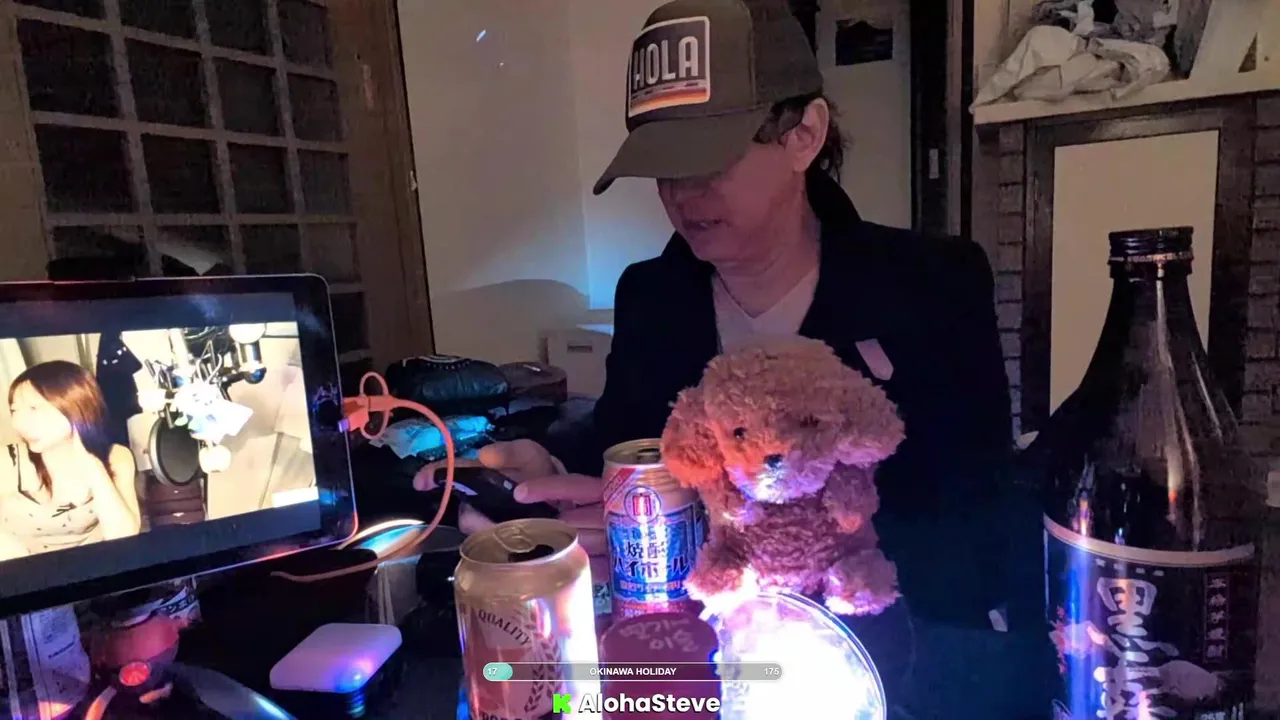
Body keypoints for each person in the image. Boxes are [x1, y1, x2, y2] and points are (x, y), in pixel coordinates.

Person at [418, 0, 1052, 716]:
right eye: (664, 168)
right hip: (705, 668)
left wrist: (733, 530)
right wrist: (555, 466)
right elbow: (628, 440)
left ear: (804, 135)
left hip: (884, 665)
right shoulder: (651, 295)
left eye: (710, 159)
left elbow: (975, 516)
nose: (683, 195)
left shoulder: (935, 284)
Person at [0, 360, 142, 559]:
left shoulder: (115, 457)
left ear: (76, 407)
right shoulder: (7, 461)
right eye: (15, 410)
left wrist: (91, 464)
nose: (20, 423)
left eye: (34, 408)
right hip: (21, 570)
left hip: (90, 568)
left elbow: (123, 537)